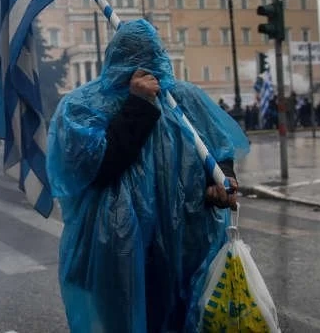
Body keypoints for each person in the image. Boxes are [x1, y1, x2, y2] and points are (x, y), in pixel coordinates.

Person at [47, 20, 246, 333]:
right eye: (133, 55)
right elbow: (93, 168)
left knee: (184, 319)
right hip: (117, 252)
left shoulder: (184, 99)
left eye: (148, 54)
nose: (142, 62)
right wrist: (137, 105)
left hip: (185, 246)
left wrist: (222, 181)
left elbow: (217, 151)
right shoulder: (82, 106)